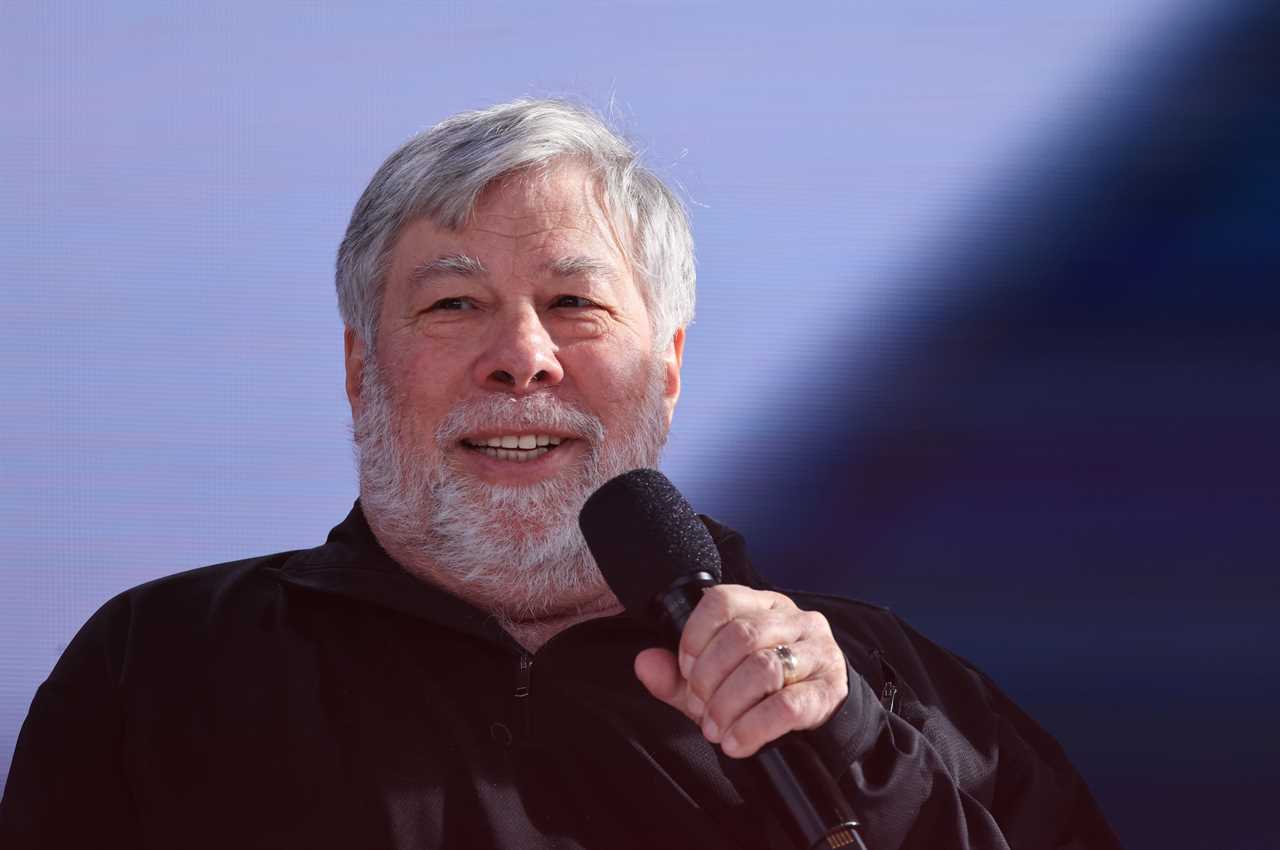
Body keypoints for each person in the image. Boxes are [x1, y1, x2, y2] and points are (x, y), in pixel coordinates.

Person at [0, 98, 1122, 849]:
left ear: (667, 366)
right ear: (359, 366)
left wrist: (860, 750)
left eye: (576, 303)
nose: (521, 353)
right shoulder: (162, 670)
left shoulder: (885, 695)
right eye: (452, 304)